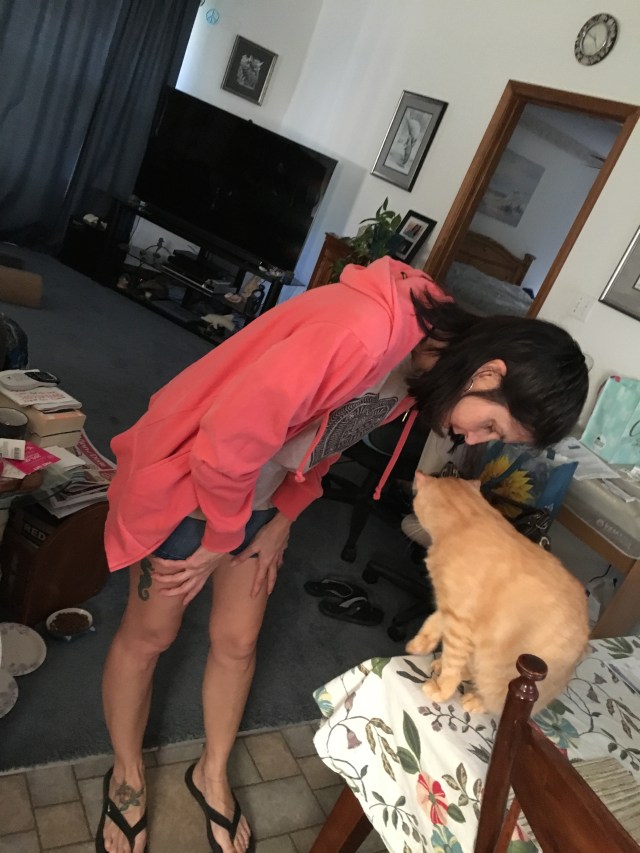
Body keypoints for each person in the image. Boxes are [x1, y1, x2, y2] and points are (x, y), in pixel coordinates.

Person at [97, 256, 588, 853]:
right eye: (490, 426)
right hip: (192, 487)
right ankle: (126, 775)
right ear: (489, 372)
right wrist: (221, 540)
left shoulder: (424, 364)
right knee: (150, 635)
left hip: (256, 497)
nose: (473, 439)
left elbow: (329, 438)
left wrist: (282, 518)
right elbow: (226, 444)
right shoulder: (360, 334)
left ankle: (212, 773)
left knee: (238, 641)